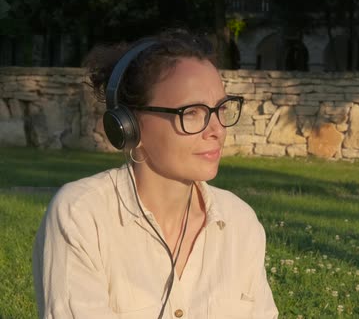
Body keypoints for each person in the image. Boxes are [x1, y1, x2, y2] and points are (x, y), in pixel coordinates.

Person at [32, 30, 278, 319]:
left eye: (220, 109)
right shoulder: (83, 216)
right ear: (129, 125)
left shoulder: (240, 223)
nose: (217, 130)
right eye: (192, 112)